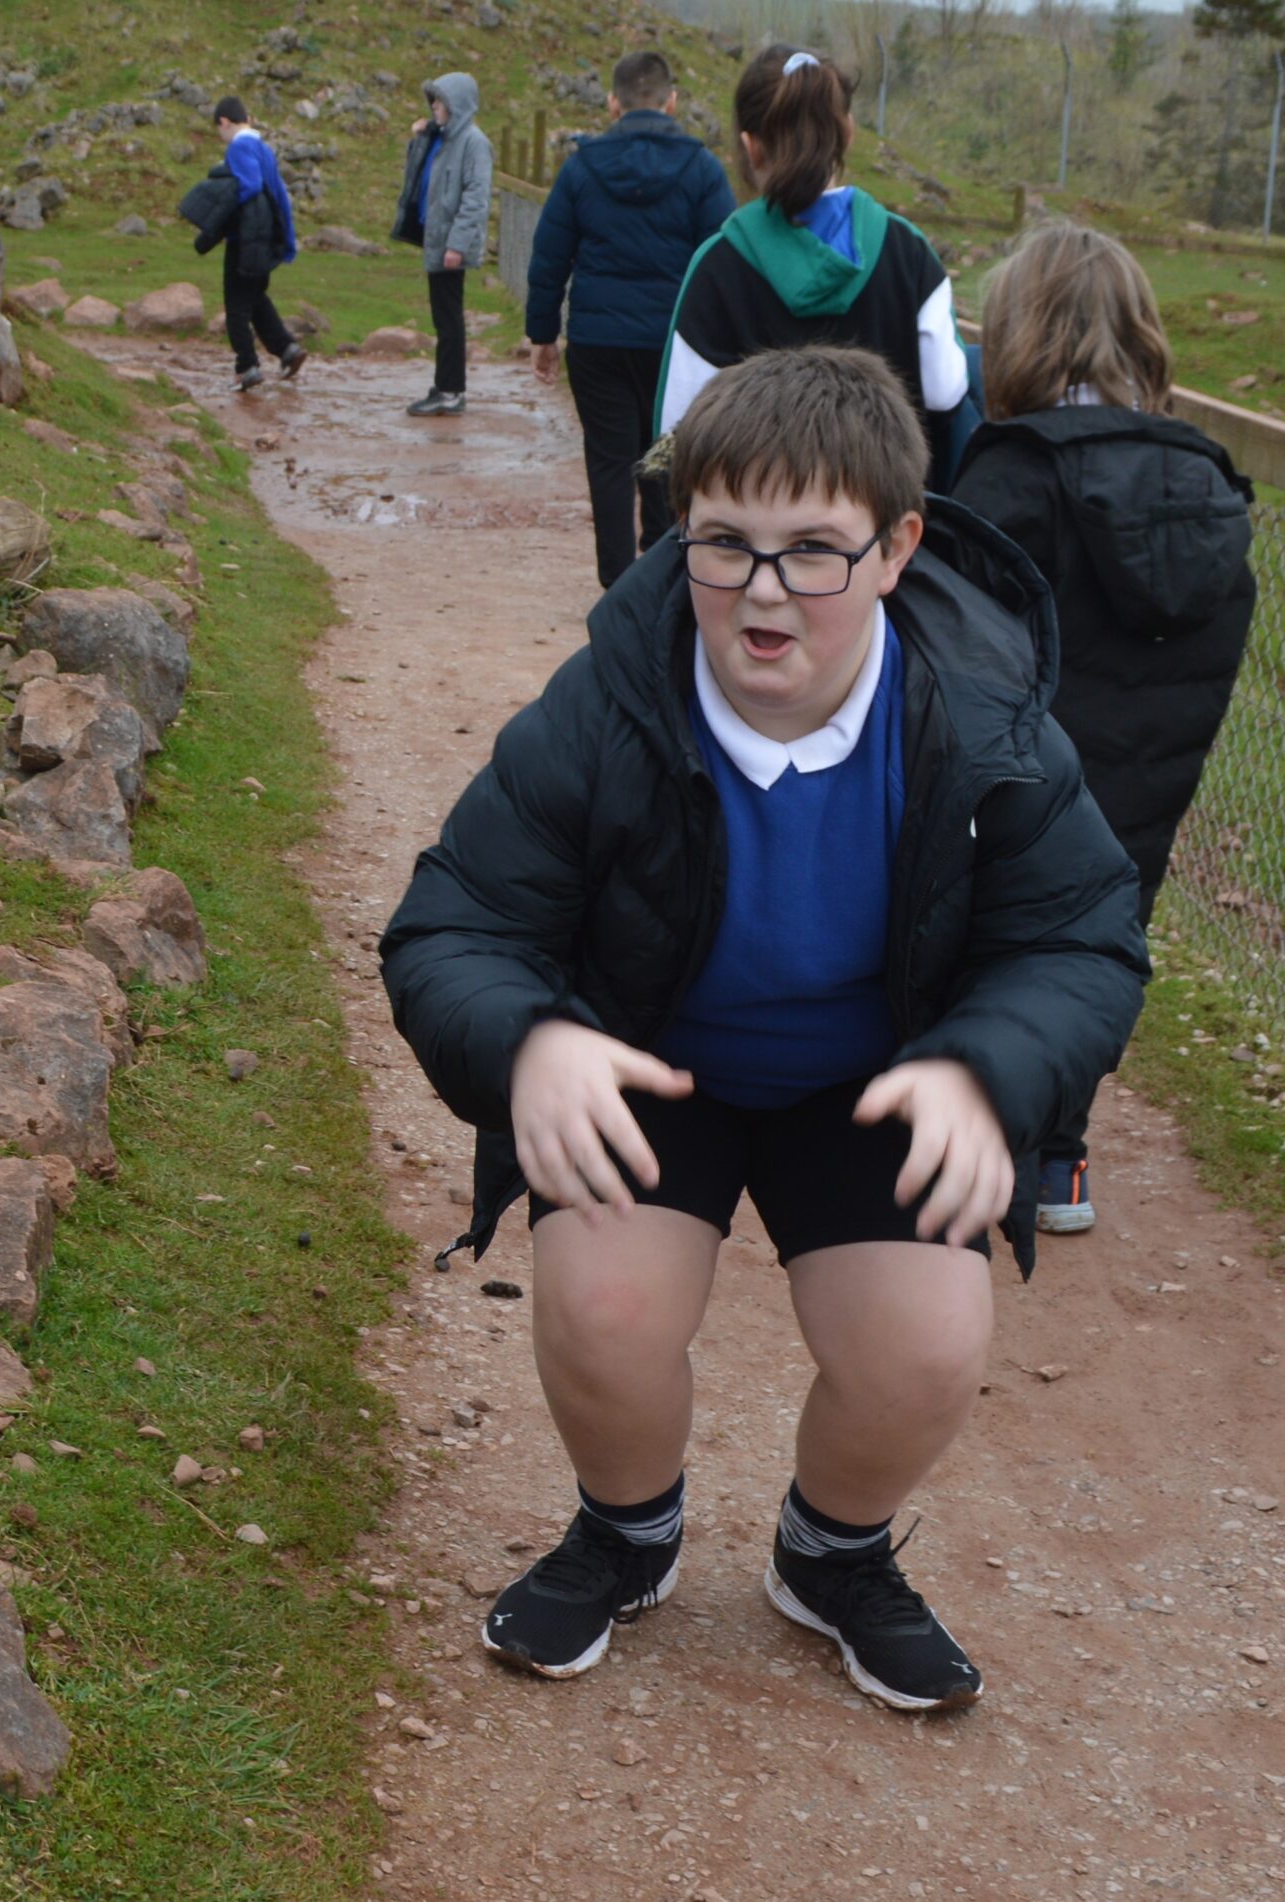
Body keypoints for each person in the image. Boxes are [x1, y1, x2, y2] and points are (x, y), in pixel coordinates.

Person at [380, 346, 1145, 1712]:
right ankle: (628, 1529)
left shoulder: (983, 722)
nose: (765, 592)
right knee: (603, 1306)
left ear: (898, 546)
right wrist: (533, 1045)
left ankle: (831, 1552)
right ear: (683, 529)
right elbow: (455, 924)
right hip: (654, 1061)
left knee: (926, 1341)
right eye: (725, 543)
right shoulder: (606, 703)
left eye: (815, 551)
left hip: (876, 1082)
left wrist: (985, 1071)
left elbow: (1077, 937)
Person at [951, 223, 1259, 1235]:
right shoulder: (1209, 492)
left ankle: (975, 1133)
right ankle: (1057, 1162)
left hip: (1019, 770)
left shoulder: (1007, 481)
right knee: (1099, 922)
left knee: (986, 914)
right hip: (1145, 779)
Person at [658, 47, 969, 482]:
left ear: (750, 147)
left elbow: (678, 426)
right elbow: (945, 390)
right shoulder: (909, 251)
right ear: (847, 134)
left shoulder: (719, 264)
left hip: (763, 533)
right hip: (885, 529)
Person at [524, 50, 735, 585]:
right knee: (669, 456)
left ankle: (618, 582)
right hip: (675, 345)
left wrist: (542, 334)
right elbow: (724, 258)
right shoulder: (702, 169)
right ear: (672, 101)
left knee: (610, 460)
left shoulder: (581, 167)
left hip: (598, 338)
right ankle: (665, 575)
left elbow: (550, 256)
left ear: (613, 103)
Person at [393, 73, 493, 417]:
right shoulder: (443, 138)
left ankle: (451, 391)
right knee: (442, 316)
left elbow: (475, 199)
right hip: (438, 239)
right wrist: (420, 136)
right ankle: (445, 383)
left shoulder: (473, 143)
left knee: (449, 317)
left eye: (439, 100)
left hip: (451, 245)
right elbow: (416, 170)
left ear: (456, 104)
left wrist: (458, 245)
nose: (434, 106)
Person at [195, 97, 306, 392]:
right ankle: (287, 350)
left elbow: (249, 185)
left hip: (247, 240)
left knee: (236, 306)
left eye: (219, 130)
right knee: (256, 299)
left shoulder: (240, 146)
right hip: (265, 237)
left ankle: (246, 367)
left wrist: (214, 224)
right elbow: (279, 193)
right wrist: (286, 238)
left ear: (224, 122)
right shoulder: (263, 148)